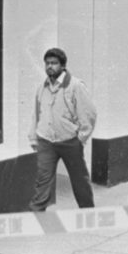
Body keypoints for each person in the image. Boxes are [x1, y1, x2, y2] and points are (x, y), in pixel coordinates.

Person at [28, 48, 97, 211]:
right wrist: (33, 137)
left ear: (63, 66)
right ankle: (37, 214)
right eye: (47, 63)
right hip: (46, 141)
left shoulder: (75, 86)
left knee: (79, 179)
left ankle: (88, 212)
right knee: (42, 179)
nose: (50, 67)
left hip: (70, 142)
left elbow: (89, 113)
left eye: (54, 63)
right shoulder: (42, 87)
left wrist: (81, 138)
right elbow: (37, 114)